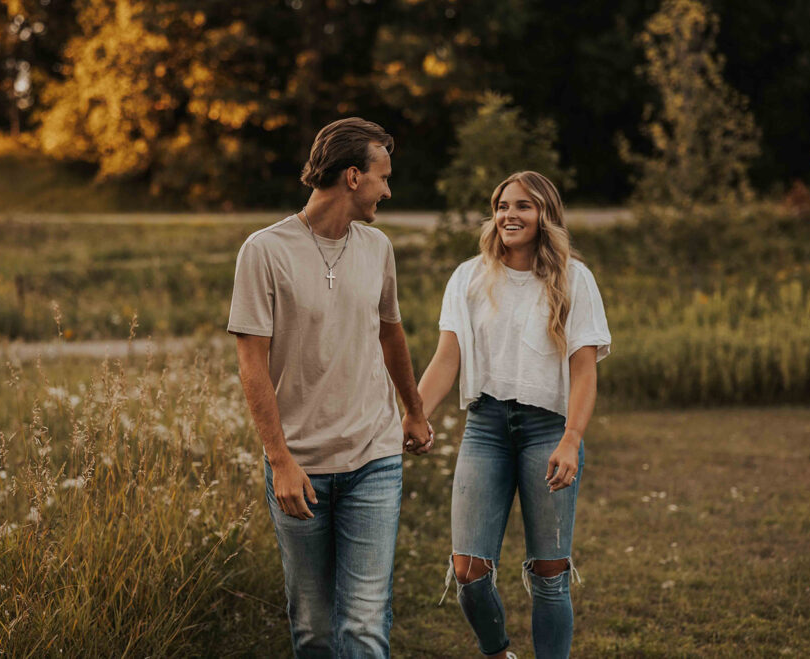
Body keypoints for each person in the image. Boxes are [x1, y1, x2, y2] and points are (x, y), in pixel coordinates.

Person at [227, 117, 434, 658]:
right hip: (301, 468)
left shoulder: (378, 247)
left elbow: (392, 334)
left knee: (364, 624)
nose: (388, 190)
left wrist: (413, 411)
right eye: (383, 177)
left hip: (374, 458)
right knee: (314, 628)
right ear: (352, 177)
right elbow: (252, 365)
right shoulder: (264, 251)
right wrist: (279, 461)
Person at [416, 171, 611, 658]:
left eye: (523, 206)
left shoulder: (573, 278)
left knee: (550, 573)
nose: (509, 215)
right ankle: (499, 653)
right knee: (468, 569)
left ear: (545, 214)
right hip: (485, 428)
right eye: (502, 205)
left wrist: (572, 438)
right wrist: (414, 414)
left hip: (548, 429)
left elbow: (584, 370)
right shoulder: (469, 277)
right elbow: (447, 358)